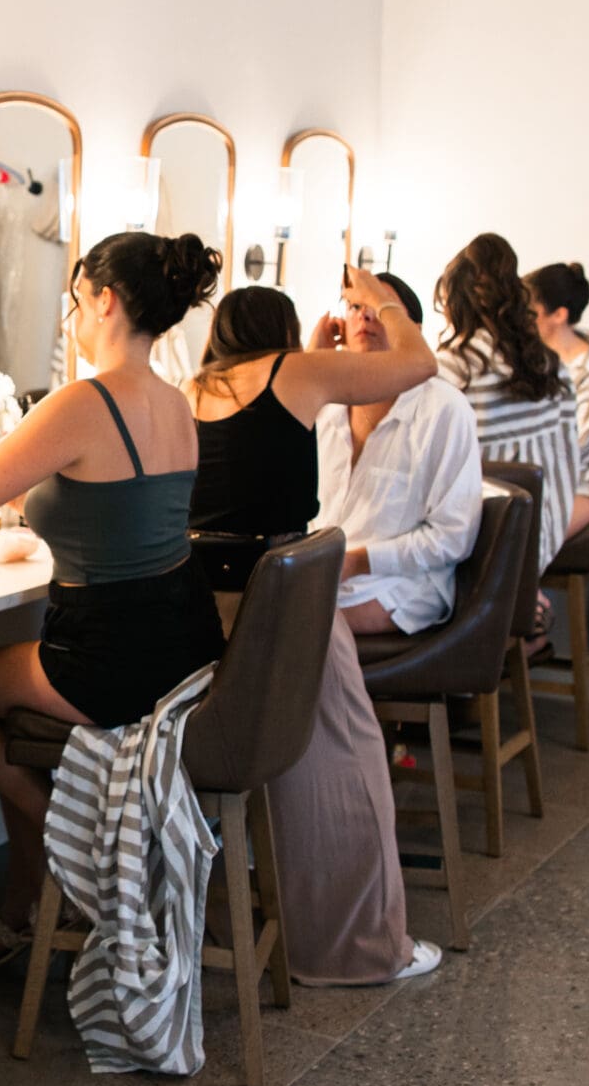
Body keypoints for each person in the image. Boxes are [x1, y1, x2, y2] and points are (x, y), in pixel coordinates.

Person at [0, 231, 225, 968]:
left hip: (106, 658)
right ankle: (20, 903)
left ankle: (70, 837)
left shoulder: (84, 401)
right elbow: (119, 515)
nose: (74, 320)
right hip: (182, 649)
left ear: (104, 299)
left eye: (75, 304)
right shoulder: (176, 402)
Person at [186, 276, 441, 984]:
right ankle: (358, 949)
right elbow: (419, 365)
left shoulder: (191, 390)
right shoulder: (295, 372)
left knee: (279, 762)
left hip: (200, 605)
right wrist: (382, 300)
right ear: (284, 332)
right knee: (348, 765)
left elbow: (257, 431)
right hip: (280, 602)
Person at [315, 268, 483, 636]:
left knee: (298, 627)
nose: (366, 315)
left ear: (414, 333)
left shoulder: (444, 410)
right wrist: (314, 359)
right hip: (320, 574)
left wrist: (357, 562)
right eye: (356, 306)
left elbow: (453, 535)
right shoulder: (326, 404)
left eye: (379, 305)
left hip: (404, 580)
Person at [436, 232, 578, 573]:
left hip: (484, 543)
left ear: (455, 302)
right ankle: (528, 609)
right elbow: (568, 457)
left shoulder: (456, 367)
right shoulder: (550, 363)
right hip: (544, 531)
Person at [526, 260, 589, 540]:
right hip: (531, 478)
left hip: (577, 485)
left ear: (559, 314)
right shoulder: (533, 362)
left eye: (531, 312)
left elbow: (577, 445)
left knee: (515, 545)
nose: (524, 319)